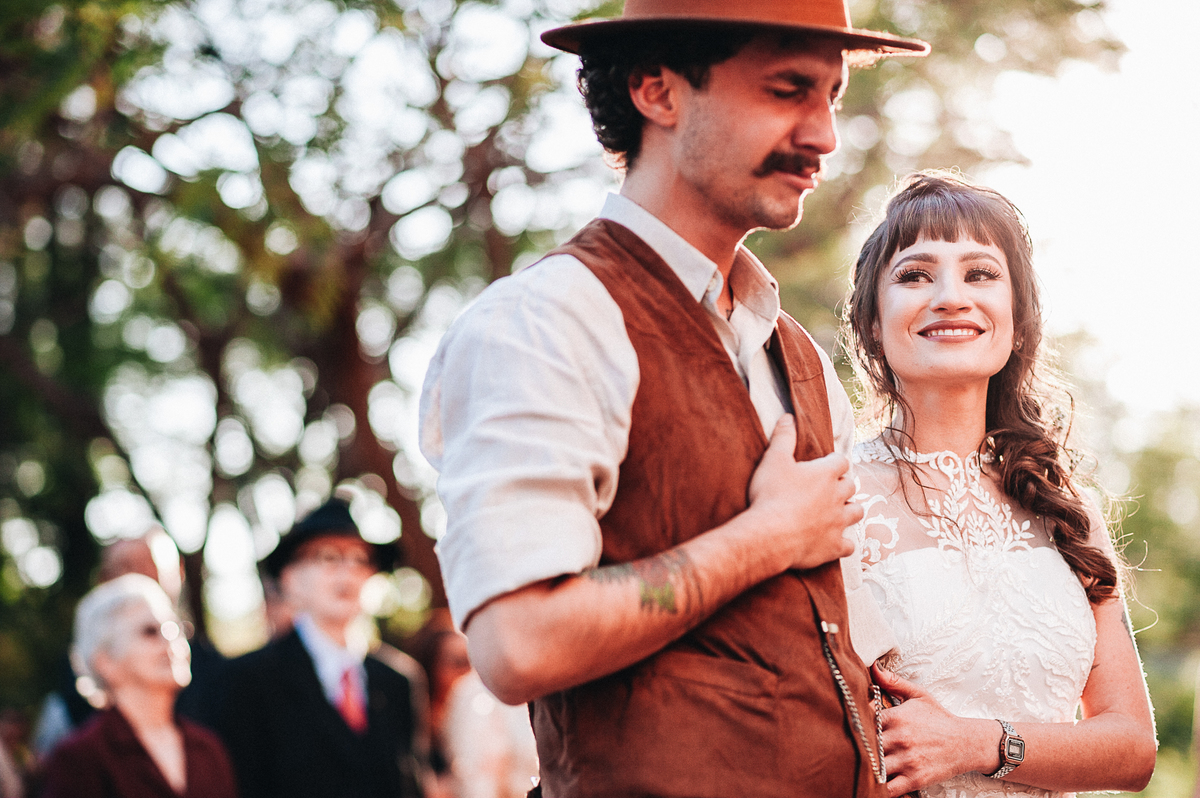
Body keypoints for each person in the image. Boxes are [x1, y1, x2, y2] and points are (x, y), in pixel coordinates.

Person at [419, 2, 928, 795]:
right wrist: (764, 539)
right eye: (788, 89)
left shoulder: (800, 357)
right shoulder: (544, 321)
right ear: (657, 91)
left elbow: (835, 643)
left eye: (831, 96)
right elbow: (517, 644)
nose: (824, 135)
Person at [843, 172, 1157, 797]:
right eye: (914, 275)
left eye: (980, 274)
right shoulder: (836, 494)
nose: (950, 297)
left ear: (1016, 320)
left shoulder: (1065, 507)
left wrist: (980, 742)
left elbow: (1133, 748)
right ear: (873, 324)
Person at [213, 497, 424, 798]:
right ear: (290, 579)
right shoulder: (248, 681)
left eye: (360, 559)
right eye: (328, 557)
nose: (347, 572)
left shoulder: (399, 680)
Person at [38, 574, 237, 798]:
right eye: (150, 631)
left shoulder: (207, 749)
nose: (171, 643)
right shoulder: (80, 760)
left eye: (174, 628)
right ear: (105, 661)